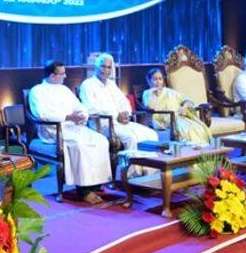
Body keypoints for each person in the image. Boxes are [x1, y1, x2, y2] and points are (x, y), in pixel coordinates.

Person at [28, 60, 112, 204]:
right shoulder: (37, 91)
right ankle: (83, 190)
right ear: (52, 76)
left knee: (100, 140)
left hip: (74, 126)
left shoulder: (64, 89)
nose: (65, 76)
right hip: (54, 130)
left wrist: (81, 115)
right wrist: (67, 117)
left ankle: (95, 184)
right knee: (79, 145)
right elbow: (42, 114)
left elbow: (79, 106)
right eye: (62, 73)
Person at [78, 53, 158, 153]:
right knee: (130, 138)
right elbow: (90, 108)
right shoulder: (87, 84)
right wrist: (116, 116)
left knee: (151, 134)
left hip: (120, 123)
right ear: (96, 67)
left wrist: (126, 113)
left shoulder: (111, 84)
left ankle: (148, 167)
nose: (106, 70)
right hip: (103, 125)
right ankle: (131, 168)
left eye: (109, 67)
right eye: (103, 66)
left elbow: (124, 101)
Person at [141, 68, 212, 144]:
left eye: (160, 79)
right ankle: (191, 149)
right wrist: (154, 93)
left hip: (179, 117)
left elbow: (187, 100)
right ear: (149, 81)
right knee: (185, 130)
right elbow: (150, 107)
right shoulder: (147, 93)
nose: (158, 81)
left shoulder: (169, 91)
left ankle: (202, 149)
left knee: (198, 127)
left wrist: (184, 107)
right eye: (155, 79)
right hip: (166, 120)